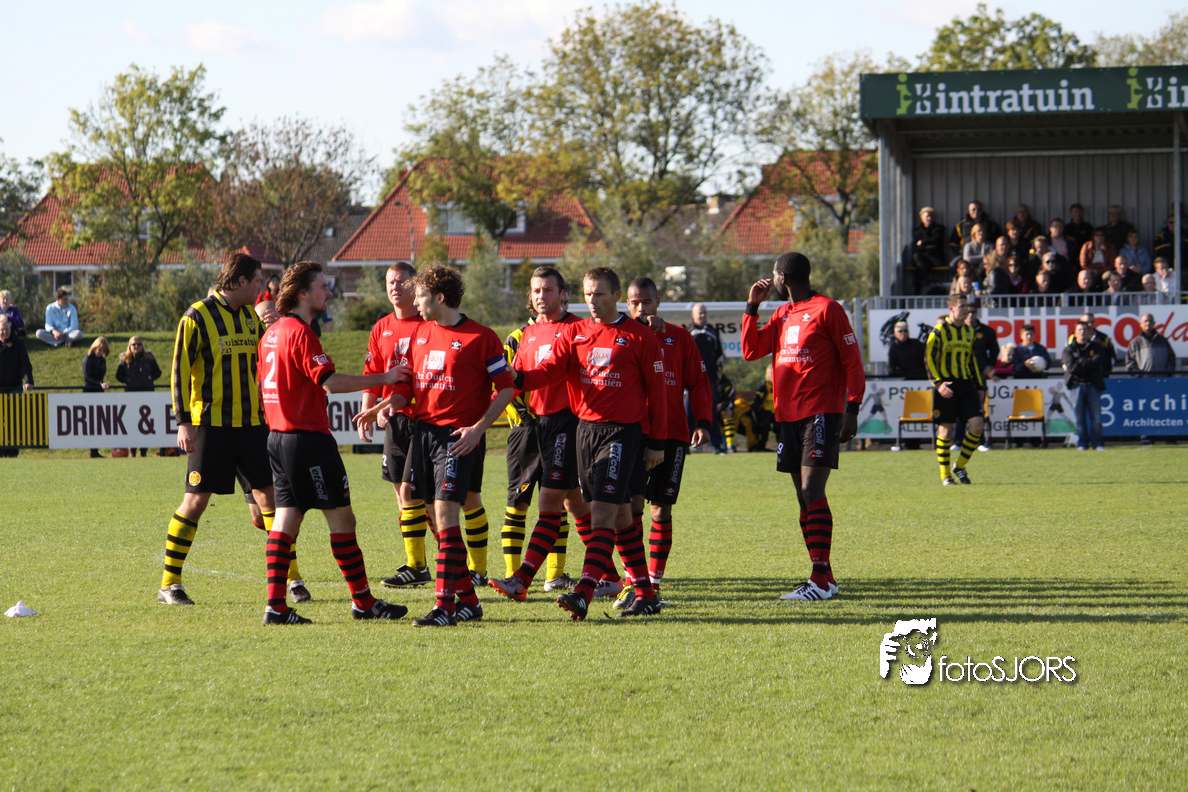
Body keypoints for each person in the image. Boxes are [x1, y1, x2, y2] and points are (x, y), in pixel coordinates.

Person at [355, 264, 515, 627]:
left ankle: (445, 606)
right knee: (432, 514)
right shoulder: (421, 333)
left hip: (456, 437)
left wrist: (478, 429)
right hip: (423, 434)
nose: (415, 302)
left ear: (440, 298)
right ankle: (469, 601)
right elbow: (406, 388)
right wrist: (383, 406)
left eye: (421, 295)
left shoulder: (482, 337)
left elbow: (506, 388)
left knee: (445, 515)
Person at [506, 266, 668, 620]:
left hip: (621, 434)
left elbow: (658, 393)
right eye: (588, 294)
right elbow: (550, 370)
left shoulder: (640, 337)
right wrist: (517, 377)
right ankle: (645, 593)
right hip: (585, 432)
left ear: (616, 296)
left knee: (603, 514)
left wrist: (657, 442)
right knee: (621, 517)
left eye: (599, 294)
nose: (592, 301)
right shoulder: (576, 333)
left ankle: (585, 591)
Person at [255, 261, 408, 625]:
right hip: (307, 440)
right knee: (341, 519)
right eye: (323, 286)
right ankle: (363, 602)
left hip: (278, 438)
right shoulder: (300, 333)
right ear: (302, 293)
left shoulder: (271, 334)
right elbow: (331, 383)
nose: (329, 292)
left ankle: (276, 607)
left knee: (286, 518)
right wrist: (385, 377)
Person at [158, 253, 297, 606]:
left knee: (272, 500)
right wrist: (184, 422)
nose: (262, 287)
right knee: (196, 501)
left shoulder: (251, 319)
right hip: (211, 426)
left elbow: (265, 362)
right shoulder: (196, 316)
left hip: (251, 426)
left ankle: (292, 579)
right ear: (240, 281)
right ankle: (170, 584)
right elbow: (178, 371)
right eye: (257, 280)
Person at [742, 251, 865, 601]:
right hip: (788, 417)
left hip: (821, 412)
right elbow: (751, 350)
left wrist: (852, 408)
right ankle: (825, 578)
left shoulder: (828, 309)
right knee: (802, 497)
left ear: (782, 278)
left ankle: (819, 581)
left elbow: (852, 361)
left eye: (774, 275)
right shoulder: (781, 313)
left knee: (812, 490)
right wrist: (751, 307)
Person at [488, 266, 591, 602]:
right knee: (576, 505)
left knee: (550, 504)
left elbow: (544, 374)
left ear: (563, 294)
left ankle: (521, 580)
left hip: (568, 423)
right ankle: (611, 576)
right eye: (536, 291)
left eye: (548, 290)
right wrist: (477, 418)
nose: (541, 296)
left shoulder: (577, 328)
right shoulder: (529, 334)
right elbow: (513, 383)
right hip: (538, 426)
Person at [610, 276, 712, 609]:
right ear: (627, 304)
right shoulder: (623, 337)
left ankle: (652, 586)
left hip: (673, 434)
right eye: (634, 302)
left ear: (658, 302)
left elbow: (699, 383)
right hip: (633, 433)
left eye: (647, 302)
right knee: (631, 509)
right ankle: (633, 583)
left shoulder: (680, 338)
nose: (641, 308)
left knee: (660, 509)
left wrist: (703, 421)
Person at [355, 262, 434, 589]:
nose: (395, 287)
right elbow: (373, 374)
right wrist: (368, 410)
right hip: (393, 420)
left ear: (415, 285)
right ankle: (420, 565)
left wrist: (384, 406)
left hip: (423, 418)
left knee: (415, 494)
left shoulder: (428, 324)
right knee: (402, 495)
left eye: (401, 281)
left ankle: (439, 563)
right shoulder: (381, 327)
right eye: (390, 282)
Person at [926, 294, 985, 486]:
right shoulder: (939, 331)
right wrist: (938, 383)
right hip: (947, 385)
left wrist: (980, 386)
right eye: (962, 306)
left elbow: (972, 361)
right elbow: (929, 359)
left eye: (967, 306)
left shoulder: (969, 332)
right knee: (945, 431)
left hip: (966, 384)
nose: (966, 309)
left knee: (977, 426)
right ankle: (945, 476)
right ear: (951, 309)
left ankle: (959, 466)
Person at [1126, 313, 1178, 444]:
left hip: (1162, 382)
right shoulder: (1135, 342)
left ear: (1154, 323)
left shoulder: (1163, 340)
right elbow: (1130, 364)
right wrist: (1140, 376)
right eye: (1145, 321)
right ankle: (1147, 437)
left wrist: (1168, 374)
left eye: (1150, 321)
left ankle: (1169, 436)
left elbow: (1172, 358)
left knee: (1166, 409)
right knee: (1146, 410)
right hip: (1145, 383)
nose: (1148, 323)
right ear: (1140, 324)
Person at [1062, 320, 1109, 451]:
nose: (1082, 332)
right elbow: (1072, 367)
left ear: (1089, 333)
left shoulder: (1097, 347)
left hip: (1093, 385)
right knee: (1079, 418)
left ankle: (1098, 443)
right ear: (1075, 333)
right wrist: (1087, 364)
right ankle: (1082, 443)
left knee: (1096, 417)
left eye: (1085, 330)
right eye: (1080, 330)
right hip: (1077, 386)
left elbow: (1098, 362)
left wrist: (1081, 362)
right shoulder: (1069, 349)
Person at [116, 336, 162, 457]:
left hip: (147, 394)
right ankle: (132, 450)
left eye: (139, 344)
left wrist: (149, 378)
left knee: (145, 424)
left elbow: (158, 372)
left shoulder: (149, 358)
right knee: (131, 423)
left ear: (142, 346)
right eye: (134, 344)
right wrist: (128, 380)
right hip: (131, 395)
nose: (136, 346)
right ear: (129, 346)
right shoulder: (125, 359)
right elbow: (118, 375)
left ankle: (143, 450)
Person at [689, 303, 725, 452]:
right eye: (700, 313)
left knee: (711, 411)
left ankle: (716, 444)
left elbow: (719, 357)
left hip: (709, 380)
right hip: (690, 381)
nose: (702, 315)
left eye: (704, 313)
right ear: (693, 315)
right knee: (688, 411)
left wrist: (717, 376)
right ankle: (687, 443)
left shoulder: (713, 333)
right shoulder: (688, 333)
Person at [0, 314, 33, 457]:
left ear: (10, 329)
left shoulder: (18, 344)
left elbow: (25, 364)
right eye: (2, 330)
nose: (4, 332)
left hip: (14, 386)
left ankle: (12, 450)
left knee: (13, 419)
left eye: (6, 329)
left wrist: (28, 381)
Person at [82, 337, 110, 458]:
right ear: (94, 348)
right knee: (91, 421)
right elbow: (87, 377)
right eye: (99, 349)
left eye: (103, 350)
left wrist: (101, 384)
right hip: (89, 391)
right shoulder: (88, 359)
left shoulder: (102, 360)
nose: (101, 352)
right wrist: (99, 384)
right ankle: (91, 450)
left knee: (98, 421)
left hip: (99, 392)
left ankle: (95, 450)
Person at [910, 206, 947, 293]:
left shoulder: (938, 229)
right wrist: (927, 246)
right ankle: (922, 284)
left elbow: (936, 241)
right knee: (917, 258)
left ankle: (921, 286)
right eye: (927, 216)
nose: (929, 218)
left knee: (919, 263)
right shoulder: (917, 231)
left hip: (935, 259)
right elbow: (914, 247)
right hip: (922, 259)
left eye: (931, 216)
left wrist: (922, 242)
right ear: (921, 218)